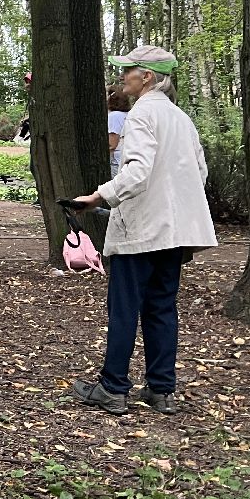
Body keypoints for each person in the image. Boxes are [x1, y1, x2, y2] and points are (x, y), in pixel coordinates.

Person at [70, 46, 217, 416]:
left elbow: (136, 172)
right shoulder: (181, 118)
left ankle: (114, 387)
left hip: (142, 230)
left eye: (129, 71)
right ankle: (161, 390)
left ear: (147, 77)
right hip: (173, 232)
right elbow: (199, 174)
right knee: (162, 308)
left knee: (124, 309)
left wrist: (98, 196)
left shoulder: (141, 115)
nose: (123, 78)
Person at [107, 85, 130, 176]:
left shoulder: (114, 116)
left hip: (117, 162)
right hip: (126, 160)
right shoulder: (128, 114)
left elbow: (112, 144)